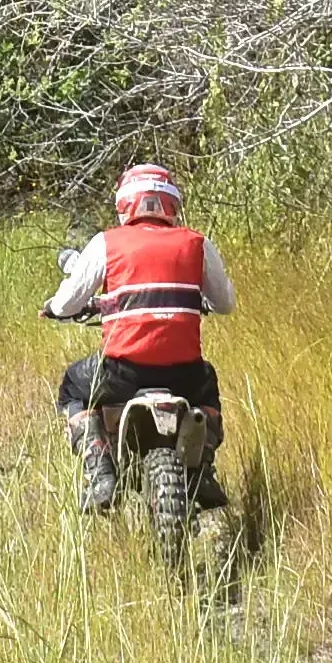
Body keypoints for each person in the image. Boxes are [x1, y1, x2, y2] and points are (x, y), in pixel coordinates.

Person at [43, 161, 233, 512]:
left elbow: (69, 302)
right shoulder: (197, 243)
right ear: (172, 203)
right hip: (184, 375)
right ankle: (203, 469)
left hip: (121, 375)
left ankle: (100, 471)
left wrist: (54, 308)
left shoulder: (107, 243)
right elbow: (226, 303)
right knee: (208, 384)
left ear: (124, 204)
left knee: (74, 385)